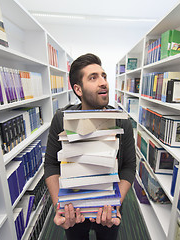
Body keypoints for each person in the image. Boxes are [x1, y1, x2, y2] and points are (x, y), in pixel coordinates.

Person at [44, 53, 136, 240]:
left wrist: (115, 203)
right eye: (93, 78)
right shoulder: (62, 119)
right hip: (73, 207)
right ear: (78, 89)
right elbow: (51, 165)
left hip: (108, 208)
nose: (103, 82)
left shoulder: (121, 121)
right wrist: (59, 207)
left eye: (104, 76)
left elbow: (128, 167)